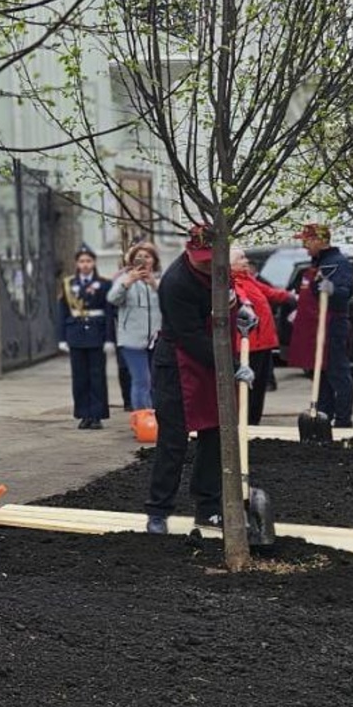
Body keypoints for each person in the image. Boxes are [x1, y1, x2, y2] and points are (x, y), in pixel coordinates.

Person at [144, 224, 249, 535]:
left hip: (211, 360)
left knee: (215, 435)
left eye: (211, 257)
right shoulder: (175, 283)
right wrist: (231, 366)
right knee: (173, 440)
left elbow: (229, 301)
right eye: (200, 257)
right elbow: (190, 337)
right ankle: (158, 511)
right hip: (178, 363)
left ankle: (208, 507)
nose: (205, 262)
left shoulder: (220, 271)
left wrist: (245, 310)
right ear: (189, 251)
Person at [287, 223, 353, 429]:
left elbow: (345, 292)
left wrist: (333, 289)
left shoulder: (337, 263)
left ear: (320, 240)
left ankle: (343, 421)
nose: (304, 246)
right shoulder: (316, 264)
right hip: (317, 327)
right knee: (322, 372)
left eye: (307, 241)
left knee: (337, 372)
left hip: (333, 325)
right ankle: (324, 417)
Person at [229, 244, 293, 428]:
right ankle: (245, 423)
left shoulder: (248, 279)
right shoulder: (231, 282)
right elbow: (240, 300)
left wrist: (291, 297)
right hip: (248, 344)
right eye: (240, 258)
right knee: (247, 387)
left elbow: (269, 292)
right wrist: (245, 305)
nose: (245, 261)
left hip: (263, 343)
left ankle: (253, 422)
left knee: (259, 386)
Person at [58, 245, 112, 428]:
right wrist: (62, 338)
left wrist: (110, 338)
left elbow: (109, 313)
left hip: (96, 334)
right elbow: (62, 312)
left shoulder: (104, 284)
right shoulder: (69, 283)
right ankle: (84, 414)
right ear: (77, 264)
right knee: (79, 377)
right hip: (76, 334)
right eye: (82, 261)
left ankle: (96, 415)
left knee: (97, 377)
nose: (85, 264)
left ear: (94, 262)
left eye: (88, 261)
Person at [107, 241, 161, 413]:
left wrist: (154, 284)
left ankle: (156, 417)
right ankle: (141, 417)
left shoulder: (160, 280)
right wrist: (127, 282)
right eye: (139, 257)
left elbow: (171, 301)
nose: (143, 260)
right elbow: (112, 299)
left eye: (147, 256)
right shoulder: (125, 278)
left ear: (154, 260)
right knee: (141, 380)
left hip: (156, 338)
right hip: (131, 339)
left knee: (156, 380)